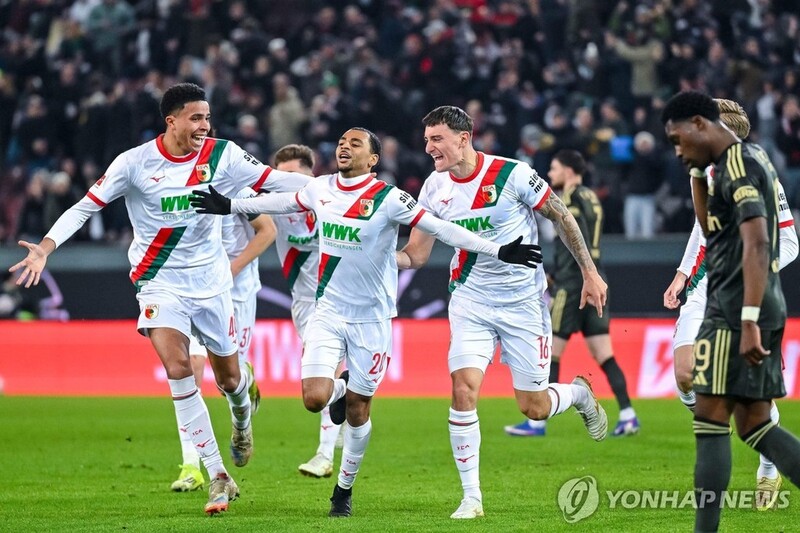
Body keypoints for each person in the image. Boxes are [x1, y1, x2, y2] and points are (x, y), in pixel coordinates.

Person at [191, 126, 543, 518]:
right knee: (314, 398)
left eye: (355, 144)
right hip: (328, 312)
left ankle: (343, 491)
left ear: (373, 159)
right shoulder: (321, 188)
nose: (344, 147)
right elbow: (282, 202)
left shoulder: (390, 199)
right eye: (342, 142)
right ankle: (339, 391)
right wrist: (230, 205)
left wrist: (498, 250)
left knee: (359, 410)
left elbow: (441, 228)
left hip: (372, 321)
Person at [9, 83, 310, 515]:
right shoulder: (134, 163)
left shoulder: (223, 155)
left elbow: (273, 179)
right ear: (171, 121)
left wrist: (334, 188)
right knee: (178, 368)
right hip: (158, 282)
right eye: (196, 118)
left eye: (207, 118)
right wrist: (45, 247)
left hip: (211, 283)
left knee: (229, 379)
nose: (204, 126)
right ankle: (218, 475)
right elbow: (84, 207)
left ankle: (242, 416)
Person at [397, 106, 609, 520]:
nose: (429, 148)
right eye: (426, 140)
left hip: (523, 304)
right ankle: (471, 498)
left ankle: (579, 394)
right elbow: (416, 255)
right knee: (463, 389)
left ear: (464, 138)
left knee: (533, 407)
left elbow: (561, 215)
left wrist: (589, 271)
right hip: (471, 302)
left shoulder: (513, 174)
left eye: (437, 139)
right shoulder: (433, 188)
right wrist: (378, 258)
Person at [661, 90, 800, 532]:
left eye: (679, 140)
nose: (677, 150)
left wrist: (750, 313)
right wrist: (683, 274)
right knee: (710, 396)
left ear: (705, 127)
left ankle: (763, 472)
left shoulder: (745, 167)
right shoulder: (714, 169)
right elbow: (706, 231)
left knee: (736, 418)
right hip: (713, 288)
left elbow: (766, 243)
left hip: (743, 298)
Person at [504, 149, 639, 438]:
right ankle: (628, 415)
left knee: (552, 351)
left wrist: (558, 274)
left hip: (573, 283)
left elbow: (575, 239)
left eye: (554, 169)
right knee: (604, 353)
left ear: (567, 171)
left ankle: (538, 422)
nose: (550, 174)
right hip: (597, 279)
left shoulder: (569, 199)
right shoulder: (592, 197)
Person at [171, 193, 276, 492]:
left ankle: (242, 419)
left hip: (235, 291)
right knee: (188, 368)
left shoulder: (236, 185)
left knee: (229, 379)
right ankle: (191, 465)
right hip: (193, 288)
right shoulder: (175, 183)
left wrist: (232, 269)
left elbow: (268, 230)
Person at [271, 144, 345, 478]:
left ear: (310, 175)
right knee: (336, 377)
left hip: (343, 297)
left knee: (324, 372)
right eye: (280, 177)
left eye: (293, 176)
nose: (286, 183)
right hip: (305, 302)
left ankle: (324, 455)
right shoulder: (274, 206)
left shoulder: (334, 199)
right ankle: (345, 399)